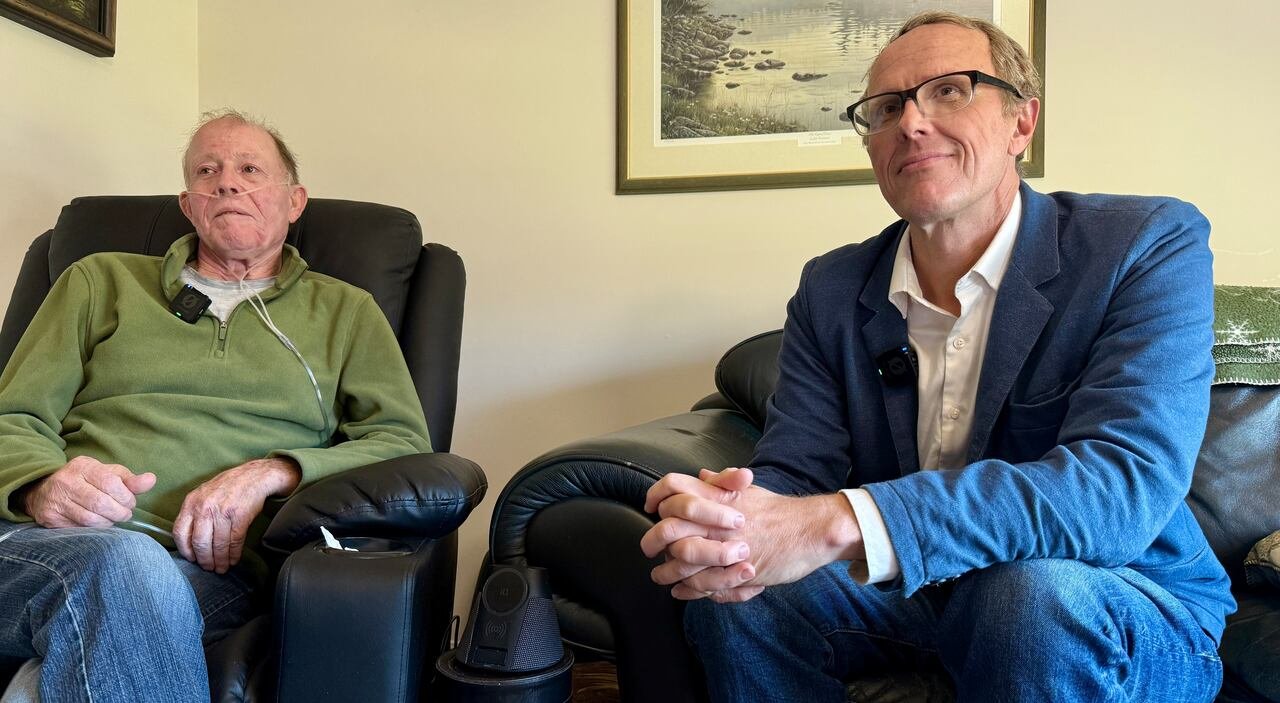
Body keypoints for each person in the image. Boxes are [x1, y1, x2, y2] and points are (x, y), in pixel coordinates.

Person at [641, 11, 1234, 702]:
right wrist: (733, 522)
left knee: (1025, 595)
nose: (912, 122)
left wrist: (840, 520)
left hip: (1123, 595)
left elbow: (1119, 490)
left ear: (1022, 123)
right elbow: (795, 470)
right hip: (917, 593)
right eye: (887, 106)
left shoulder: (1144, 244)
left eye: (949, 90)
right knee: (738, 591)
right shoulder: (832, 288)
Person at [0, 109, 431, 703]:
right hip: (44, 542)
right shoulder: (99, 280)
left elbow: (403, 444)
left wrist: (275, 470)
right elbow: (13, 418)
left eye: (250, 168)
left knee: (123, 590)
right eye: (208, 170)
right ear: (188, 203)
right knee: (121, 573)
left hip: (206, 568)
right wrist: (40, 485)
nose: (226, 182)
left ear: (295, 200)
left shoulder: (346, 312)